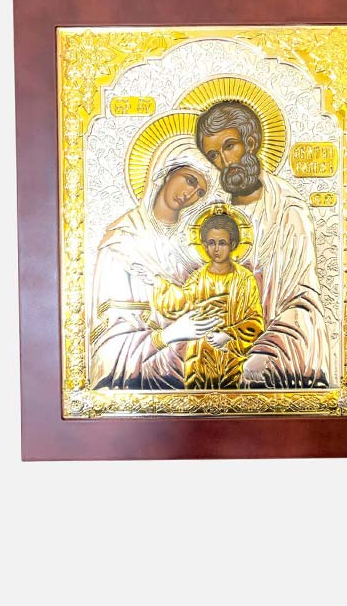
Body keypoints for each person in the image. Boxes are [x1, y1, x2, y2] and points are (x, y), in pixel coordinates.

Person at [195, 100, 331, 388]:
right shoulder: (211, 212)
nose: (225, 161)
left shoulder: (287, 209)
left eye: (230, 146)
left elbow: (301, 300)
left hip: (271, 340)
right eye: (214, 155)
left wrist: (265, 349)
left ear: (251, 142)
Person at [89, 136, 220, 389]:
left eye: (200, 192)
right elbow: (108, 346)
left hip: (196, 369)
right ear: (167, 172)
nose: (190, 194)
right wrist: (169, 335)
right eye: (190, 180)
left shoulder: (194, 247)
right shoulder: (122, 243)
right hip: (143, 372)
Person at [151, 212, 264, 389]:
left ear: (233, 244)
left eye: (222, 243)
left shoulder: (245, 279)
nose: (216, 249)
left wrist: (228, 335)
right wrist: (159, 284)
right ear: (204, 245)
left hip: (232, 358)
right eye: (211, 243)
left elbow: (255, 321)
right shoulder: (197, 279)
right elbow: (181, 305)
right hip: (199, 357)